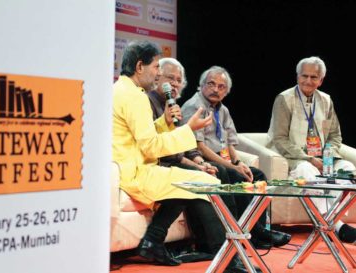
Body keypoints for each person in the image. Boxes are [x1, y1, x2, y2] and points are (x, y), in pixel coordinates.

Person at [113, 41, 260, 272]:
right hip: (135, 172)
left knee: (192, 181)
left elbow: (142, 137)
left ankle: (153, 240)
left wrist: (165, 123)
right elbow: (150, 147)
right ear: (140, 66)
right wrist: (188, 129)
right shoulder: (135, 96)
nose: (158, 73)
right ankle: (229, 261)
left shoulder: (122, 90)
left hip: (134, 167)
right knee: (206, 182)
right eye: (155, 67)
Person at [181, 65, 291, 248]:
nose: (216, 89)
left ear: (227, 91)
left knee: (258, 176)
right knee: (237, 176)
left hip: (223, 158)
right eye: (211, 84)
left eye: (221, 86)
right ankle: (254, 232)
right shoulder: (194, 106)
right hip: (203, 159)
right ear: (201, 85)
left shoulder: (222, 109)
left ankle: (258, 232)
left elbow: (230, 142)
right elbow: (198, 147)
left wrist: (239, 161)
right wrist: (233, 167)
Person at [267, 56, 356, 244]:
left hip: (323, 158)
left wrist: (328, 157)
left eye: (313, 77)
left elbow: (335, 135)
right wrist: (308, 158)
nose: (308, 81)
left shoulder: (325, 100)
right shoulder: (285, 99)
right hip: (294, 156)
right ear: (297, 76)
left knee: (348, 170)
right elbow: (280, 139)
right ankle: (336, 225)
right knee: (308, 171)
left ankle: (331, 220)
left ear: (321, 80)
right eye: (304, 76)